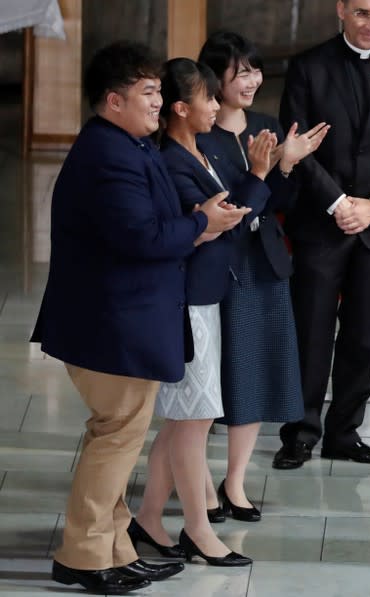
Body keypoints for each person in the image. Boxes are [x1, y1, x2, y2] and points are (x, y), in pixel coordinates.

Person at [30, 41, 251, 594]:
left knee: (118, 436)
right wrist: (201, 224)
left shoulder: (127, 143)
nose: (159, 102)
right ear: (113, 100)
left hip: (125, 320)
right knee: (114, 437)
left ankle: (114, 545)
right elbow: (142, 237)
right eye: (149, 93)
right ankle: (83, 554)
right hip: (111, 324)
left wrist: (199, 218)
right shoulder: (109, 155)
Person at [130, 57, 278, 567]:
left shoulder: (199, 150)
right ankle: (197, 529)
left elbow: (226, 215)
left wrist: (243, 193)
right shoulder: (172, 159)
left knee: (183, 420)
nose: (217, 106)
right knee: (193, 418)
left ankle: (149, 517)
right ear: (179, 108)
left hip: (207, 293)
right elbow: (227, 222)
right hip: (187, 298)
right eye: (208, 98)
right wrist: (258, 176)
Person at [275, 0, 370, 469]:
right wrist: (340, 203)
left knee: (365, 335)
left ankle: (345, 431)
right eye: (363, 13)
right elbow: (297, 146)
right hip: (321, 223)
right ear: (341, 10)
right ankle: (300, 432)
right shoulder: (308, 68)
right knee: (311, 331)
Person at [197, 32, 328, 504]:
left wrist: (287, 167)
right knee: (215, 374)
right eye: (241, 71)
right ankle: (199, 486)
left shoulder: (267, 125)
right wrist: (261, 171)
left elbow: (282, 206)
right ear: (215, 77)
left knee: (253, 371)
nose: (251, 80)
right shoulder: (198, 133)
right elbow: (227, 207)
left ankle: (234, 482)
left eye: (255, 69)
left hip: (264, 262)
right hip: (218, 264)